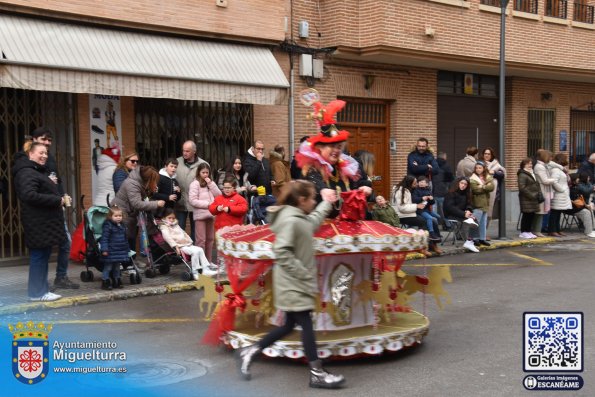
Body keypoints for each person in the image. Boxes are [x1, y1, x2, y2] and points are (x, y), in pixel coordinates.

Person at [236, 180, 345, 389]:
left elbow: (311, 223)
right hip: (294, 283)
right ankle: (317, 373)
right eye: (312, 198)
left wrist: (326, 203)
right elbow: (282, 251)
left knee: (288, 325)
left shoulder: (297, 217)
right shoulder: (290, 220)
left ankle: (250, 351)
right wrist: (303, 274)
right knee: (306, 325)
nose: (314, 201)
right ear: (301, 200)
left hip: (294, 283)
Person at [19, 127, 79, 290]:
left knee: (59, 245)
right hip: (41, 213)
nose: (47, 144)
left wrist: (62, 196)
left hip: (53, 207)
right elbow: (30, 192)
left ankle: (56, 279)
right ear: (33, 141)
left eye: (49, 140)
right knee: (42, 251)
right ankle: (42, 286)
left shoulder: (48, 158)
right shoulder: (26, 165)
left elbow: (56, 180)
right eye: (43, 139)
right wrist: (55, 198)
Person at [294, 98, 371, 215]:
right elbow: (313, 181)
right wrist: (323, 190)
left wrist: (366, 189)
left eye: (339, 147)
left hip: (344, 226)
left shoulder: (345, 167)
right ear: (320, 147)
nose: (336, 150)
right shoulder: (311, 167)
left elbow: (359, 185)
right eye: (332, 146)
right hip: (319, 226)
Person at [13, 142, 66, 301]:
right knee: (39, 257)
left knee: (43, 256)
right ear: (30, 154)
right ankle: (36, 293)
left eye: (46, 153)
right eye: (40, 153)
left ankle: (42, 291)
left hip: (43, 223)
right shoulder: (26, 172)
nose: (44, 156)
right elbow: (29, 195)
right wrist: (57, 200)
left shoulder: (35, 171)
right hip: (38, 223)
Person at [111, 165, 166, 250]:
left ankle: (130, 261)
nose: (155, 183)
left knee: (130, 237)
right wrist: (156, 203)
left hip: (128, 213)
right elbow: (137, 204)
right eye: (153, 181)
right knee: (124, 239)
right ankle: (125, 262)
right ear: (148, 179)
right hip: (122, 213)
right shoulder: (132, 184)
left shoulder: (138, 182)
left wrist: (150, 191)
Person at [158, 208, 216, 280]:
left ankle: (205, 269)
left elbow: (184, 233)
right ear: (164, 218)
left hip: (187, 244)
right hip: (179, 246)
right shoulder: (164, 227)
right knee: (195, 252)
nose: (172, 220)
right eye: (169, 218)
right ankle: (195, 272)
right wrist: (175, 246)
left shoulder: (176, 225)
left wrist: (189, 242)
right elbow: (167, 237)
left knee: (200, 249)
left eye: (173, 218)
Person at [392, 175, 442, 255]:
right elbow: (402, 208)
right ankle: (422, 247)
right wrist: (416, 206)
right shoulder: (400, 191)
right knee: (424, 222)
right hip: (403, 215)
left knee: (433, 221)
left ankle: (433, 244)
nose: (416, 185)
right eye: (414, 183)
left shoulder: (409, 189)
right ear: (409, 183)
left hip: (410, 212)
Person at [176, 140, 209, 243]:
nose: (184, 153)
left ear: (194, 151)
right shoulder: (176, 163)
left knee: (196, 230)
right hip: (180, 202)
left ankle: (194, 253)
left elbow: (208, 184)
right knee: (179, 229)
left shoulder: (203, 165)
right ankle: (182, 255)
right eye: (183, 150)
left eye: (187, 151)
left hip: (196, 204)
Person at [188, 163, 221, 263]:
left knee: (210, 239)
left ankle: (209, 261)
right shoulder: (195, 184)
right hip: (200, 215)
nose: (205, 175)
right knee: (201, 240)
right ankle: (201, 263)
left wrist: (211, 184)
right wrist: (208, 204)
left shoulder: (210, 183)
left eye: (207, 172)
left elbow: (219, 195)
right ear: (199, 172)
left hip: (211, 214)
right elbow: (193, 200)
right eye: (203, 172)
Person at [443, 177, 480, 253]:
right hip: (451, 214)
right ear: (458, 183)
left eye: (465, 184)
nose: (463, 185)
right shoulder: (450, 193)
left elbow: (469, 204)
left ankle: (470, 241)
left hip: (461, 214)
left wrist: (468, 211)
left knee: (474, 219)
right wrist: (464, 214)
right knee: (469, 221)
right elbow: (450, 208)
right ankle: (469, 241)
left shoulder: (466, 194)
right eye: (462, 183)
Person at [99, 206, 128, 290]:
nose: (118, 218)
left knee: (117, 267)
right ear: (110, 216)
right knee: (108, 267)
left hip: (119, 250)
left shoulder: (122, 225)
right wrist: (104, 249)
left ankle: (117, 280)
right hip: (110, 251)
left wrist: (127, 249)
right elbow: (104, 238)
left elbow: (125, 238)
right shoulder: (108, 225)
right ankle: (105, 281)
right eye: (116, 216)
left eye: (120, 216)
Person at [482, 147, 506, 234]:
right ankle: (480, 233)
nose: (487, 155)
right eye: (485, 154)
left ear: (491, 155)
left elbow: (502, 174)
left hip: (492, 192)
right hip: (481, 191)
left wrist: (494, 173)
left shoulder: (496, 165)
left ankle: (484, 232)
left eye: (488, 154)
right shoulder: (480, 164)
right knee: (481, 212)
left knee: (489, 212)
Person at [469, 161, 494, 246]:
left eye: (480, 168)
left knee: (483, 222)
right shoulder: (472, 178)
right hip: (477, 203)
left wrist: (482, 186)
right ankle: (474, 239)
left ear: (483, 169)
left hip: (485, 203)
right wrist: (486, 186)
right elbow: (475, 190)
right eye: (476, 168)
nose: (478, 169)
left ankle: (482, 238)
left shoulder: (487, 176)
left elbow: (492, 187)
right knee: (476, 222)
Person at [532, 149, 556, 237]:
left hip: (545, 191)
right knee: (540, 212)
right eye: (549, 157)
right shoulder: (540, 167)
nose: (550, 159)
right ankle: (537, 230)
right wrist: (554, 180)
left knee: (542, 212)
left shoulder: (543, 166)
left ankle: (537, 230)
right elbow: (545, 180)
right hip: (542, 191)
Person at [547, 153, 571, 237]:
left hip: (562, 195)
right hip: (558, 194)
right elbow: (554, 181)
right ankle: (552, 230)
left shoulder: (560, 170)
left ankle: (557, 229)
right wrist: (562, 189)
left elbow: (565, 180)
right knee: (555, 213)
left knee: (558, 213)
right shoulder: (556, 170)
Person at [412, 176, 442, 240]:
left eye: (423, 182)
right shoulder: (416, 190)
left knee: (438, 217)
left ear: (427, 184)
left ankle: (437, 233)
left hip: (428, 209)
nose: (421, 183)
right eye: (420, 182)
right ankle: (431, 233)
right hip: (420, 210)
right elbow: (414, 200)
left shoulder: (428, 190)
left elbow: (432, 203)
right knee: (430, 218)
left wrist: (431, 199)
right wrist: (422, 198)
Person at [566, 173, 595, 238]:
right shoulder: (573, 188)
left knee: (589, 209)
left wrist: (586, 205)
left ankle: (592, 229)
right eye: (577, 178)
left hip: (576, 206)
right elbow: (575, 201)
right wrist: (585, 206)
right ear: (574, 180)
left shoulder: (575, 186)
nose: (579, 180)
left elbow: (579, 200)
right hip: (571, 208)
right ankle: (588, 232)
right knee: (586, 212)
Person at [517, 158, 540, 239]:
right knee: (526, 215)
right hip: (526, 198)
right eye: (528, 164)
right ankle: (523, 232)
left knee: (531, 215)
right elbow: (522, 188)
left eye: (531, 164)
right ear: (523, 165)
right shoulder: (522, 174)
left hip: (533, 198)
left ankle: (528, 231)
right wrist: (532, 195)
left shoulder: (531, 173)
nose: (530, 165)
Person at [432, 151, 454, 229]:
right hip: (443, 191)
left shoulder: (433, 164)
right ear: (444, 157)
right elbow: (450, 178)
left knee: (434, 210)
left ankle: (435, 225)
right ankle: (447, 225)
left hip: (433, 191)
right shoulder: (446, 166)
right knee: (444, 210)